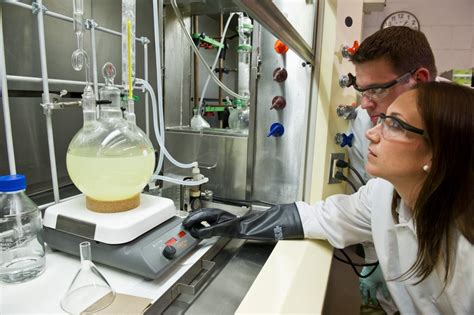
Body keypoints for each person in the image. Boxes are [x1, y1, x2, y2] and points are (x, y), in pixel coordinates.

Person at [183, 82, 474, 314]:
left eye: (395, 125)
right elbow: (319, 217)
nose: (372, 133)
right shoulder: (383, 195)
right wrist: (237, 225)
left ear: (438, 154)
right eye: (383, 120)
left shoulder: (466, 246)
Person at [345, 26, 439, 313]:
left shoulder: (460, 123)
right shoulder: (368, 117)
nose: (365, 103)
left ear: (418, 80)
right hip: (396, 290)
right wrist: (376, 258)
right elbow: (373, 199)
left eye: (376, 89)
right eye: (361, 90)